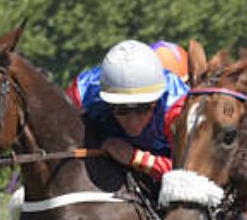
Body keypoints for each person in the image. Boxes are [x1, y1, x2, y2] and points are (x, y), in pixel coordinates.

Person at [66, 40, 189, 190]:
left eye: (143, 108)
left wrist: (136, 158)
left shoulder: (179, 109)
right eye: (121, 109)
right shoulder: (82, 93)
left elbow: (195, 175)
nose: (133, 121)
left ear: (158, 99)